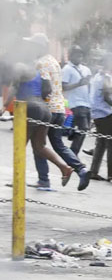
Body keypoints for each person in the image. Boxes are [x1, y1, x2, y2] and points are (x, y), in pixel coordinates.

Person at [27, 34, 89, 189]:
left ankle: (44, 179)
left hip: (47, 109)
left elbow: (46, 88)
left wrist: (38, 100)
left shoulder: (40, 63)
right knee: (58, 145)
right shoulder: (54, 61)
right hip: (60, 109)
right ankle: (81, 169)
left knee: (38, 145)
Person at [13, 63, 86, 189]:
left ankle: (34, 180)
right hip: (51, 108)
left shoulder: (39, 64)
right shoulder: (52, 62)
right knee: (41, 146)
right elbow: (47, 89)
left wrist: (4, 106)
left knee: (21, 145)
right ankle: (66, 169)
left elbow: (14, 88)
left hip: (39, 107)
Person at [88, 54, 112, 182]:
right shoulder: (106, 77)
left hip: (97, 112)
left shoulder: (97, 76)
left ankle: (93, 171)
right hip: (106, 112)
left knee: (101, 143)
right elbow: (107, 97)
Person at [61, 45, 92, 155]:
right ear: (70, 56)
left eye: (80, 55)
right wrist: (78, 84)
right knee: (83, 128)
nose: (79, 57)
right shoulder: (67, 69)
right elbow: (63, 87)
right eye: (76, 54)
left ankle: (72, 133)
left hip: (87, 102)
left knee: (83, 130)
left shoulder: (86, 69)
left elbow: (89, 86)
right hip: (76, 103)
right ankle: (73, 155)